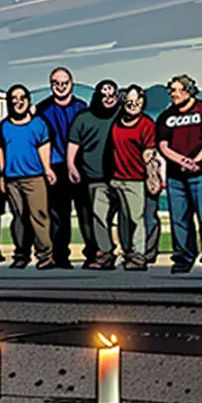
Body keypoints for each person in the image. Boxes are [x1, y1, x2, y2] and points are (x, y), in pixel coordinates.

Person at [157, 74, 202, 273]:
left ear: (188, 91)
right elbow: (163, 145)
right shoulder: (167, 116)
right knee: (179, 217)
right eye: (171, 91)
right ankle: (183, 257)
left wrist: (196, 160)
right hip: (175, 176)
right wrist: (181, 160)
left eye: (176, 90)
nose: (173, 94)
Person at [0, 85, 56, 270]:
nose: (18, 102)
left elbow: (44, 146)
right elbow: (0, 150)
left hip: (35, 177)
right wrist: (2, 174)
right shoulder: (4, 126)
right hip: (12, 179)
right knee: (19, 218)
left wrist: (47, 169)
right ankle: (21, 254)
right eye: (14, 98)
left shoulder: (38, 124)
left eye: (22, 98)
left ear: (28, 101)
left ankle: (45, 255)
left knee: (39, 216)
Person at [35, 68, 88, 268]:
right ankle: (60, 256)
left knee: (85, 213)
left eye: (64, 83)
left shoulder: (82, 107)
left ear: (71, 83)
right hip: (55, 166)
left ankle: (92, 254)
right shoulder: (42, 109)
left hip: (79, 166)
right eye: (56, 83)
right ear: (51, 85)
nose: (60, 87)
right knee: (59, 215)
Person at [67, 80, 121, 270]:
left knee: (128, 217)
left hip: (123, 175)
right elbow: (73, 144)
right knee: (98, 218)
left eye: (112, 95)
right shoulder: (84, 117)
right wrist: (71, 166)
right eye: (104, 95)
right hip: (94, 177)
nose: (108, 99)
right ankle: (104, 253)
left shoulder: (123, 114)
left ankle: (132, 254)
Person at [110, 85, 157, 271]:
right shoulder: (116, 122)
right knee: (123, 219)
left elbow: (149, 153)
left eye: (137, 100)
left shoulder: (146, 124)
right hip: (116, 177)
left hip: (136, 178)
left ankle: (138, 255)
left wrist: (151, 176)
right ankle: (127, 252)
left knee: (137, 219)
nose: (133, 104)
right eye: (129, 100)